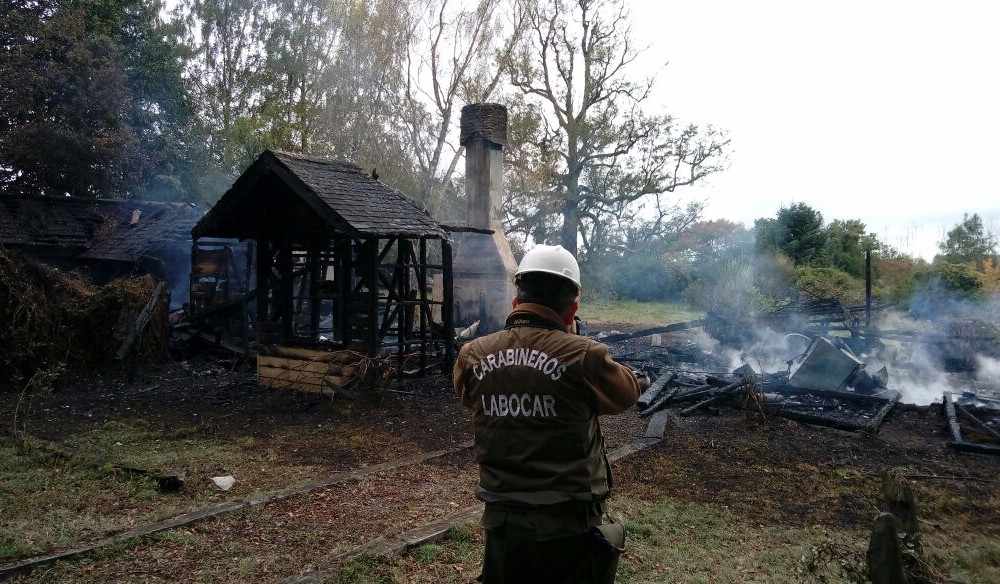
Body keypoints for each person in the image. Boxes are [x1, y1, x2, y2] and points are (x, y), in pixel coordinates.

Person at [452, 244, 644, 584]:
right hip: (568, 527)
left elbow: (472, 399)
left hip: (502, 523)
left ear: (516, 304)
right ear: (571, 311)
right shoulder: (584, 356)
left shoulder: (472, 355)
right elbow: (627, 394)